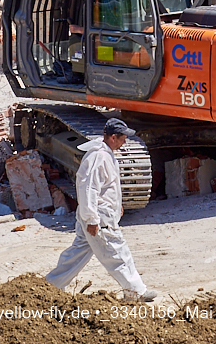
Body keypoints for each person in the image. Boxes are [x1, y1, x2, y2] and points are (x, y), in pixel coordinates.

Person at [46, 117, 157, 301]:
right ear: (113, 137)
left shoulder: (104, 154)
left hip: (99, 212)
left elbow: (106, 186)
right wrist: (91, 219)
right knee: (117, 252)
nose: (125, 142)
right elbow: (88, 188)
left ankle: (51, 286)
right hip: (99, 215)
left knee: (78, 252)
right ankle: (135, 292)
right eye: (123, 138)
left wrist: (117, 205)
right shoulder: (98, 157)